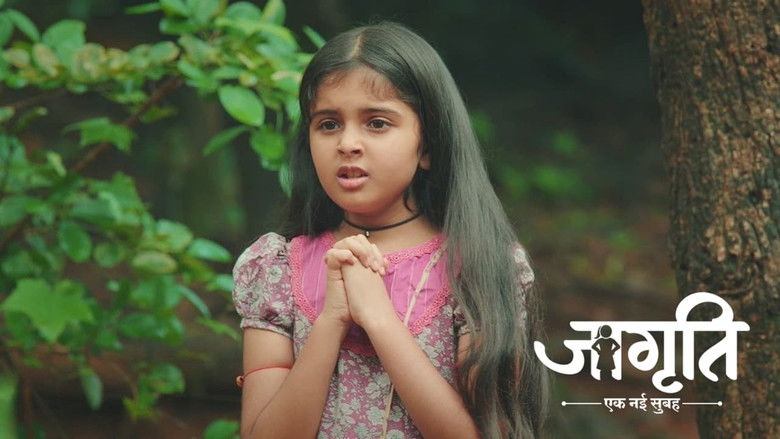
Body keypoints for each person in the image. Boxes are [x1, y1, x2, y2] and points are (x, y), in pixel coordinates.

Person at [232, 21, 547, 439]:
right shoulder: (276, 269)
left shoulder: (478, 266)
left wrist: (379, 319)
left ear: (428, 145)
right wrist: (332, 320)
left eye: (377, 123)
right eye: (328, 124)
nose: (347, 143)